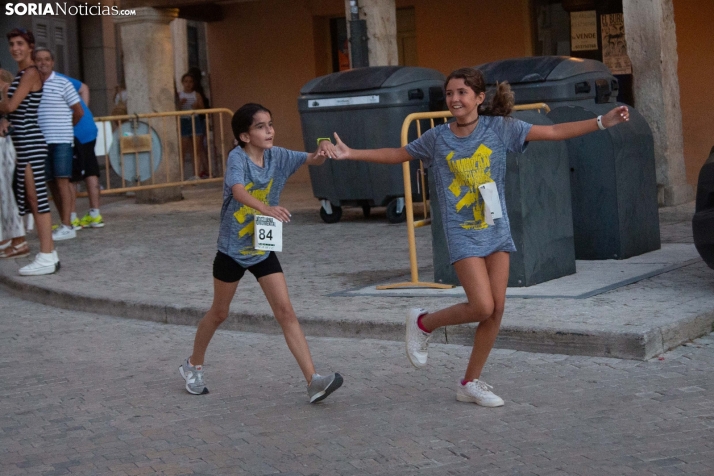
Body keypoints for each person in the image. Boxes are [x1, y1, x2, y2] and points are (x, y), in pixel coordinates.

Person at [328, 67, 630, 407]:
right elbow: (399, 154)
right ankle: (423, 322)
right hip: (462, 232)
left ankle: (469, 382)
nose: (455, 99)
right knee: (481, 305)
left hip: (496, 229)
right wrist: (351, 153)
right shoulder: (437, 137)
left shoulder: (501, 128)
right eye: (450, 93)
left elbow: (556, 130)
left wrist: (602, 123)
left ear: (479, 98)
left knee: (495, 311)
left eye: (462, 93)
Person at [179, 103, 344, 403]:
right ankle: (192, 366)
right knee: (219, 313)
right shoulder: (237, 158)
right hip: (232, 250)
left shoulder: (277, 156)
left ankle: (313, 381)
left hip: (263, 247)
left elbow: (313, 159)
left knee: (285, 311)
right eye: (260, 126)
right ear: (244, 135)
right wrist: (266, 207)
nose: (269, 130)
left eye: (270, 124)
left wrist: (322, 146)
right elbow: (239, 190)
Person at [0, 29, 58, 275]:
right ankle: (47, 254)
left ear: (30, 46)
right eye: (12, 44)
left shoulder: (30, 73)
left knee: (38, 199)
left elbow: (11, 106)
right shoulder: (24, 73)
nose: (15, 48)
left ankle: (47, 254)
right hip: (24, 143)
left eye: (20, 43)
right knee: (33, 199)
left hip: (31, 141)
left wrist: (3, 91)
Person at [34, 47, 83, 241]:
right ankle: (63, 222)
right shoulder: (32, 84)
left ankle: (67, 224)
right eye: (39, 59)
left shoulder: (63, 83)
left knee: (63, 181)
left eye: (46, 59)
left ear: (53, 62)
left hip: (61, 140)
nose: (43, 63)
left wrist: (66, 129)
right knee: (51, 183)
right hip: (41, 141)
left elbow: (78, 111)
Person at [56, 71, 104, 229]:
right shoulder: (61, 77)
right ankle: (95, 215)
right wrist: (85, 111)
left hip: (73, 130)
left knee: (70, 175)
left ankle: (72, 218)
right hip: (87, 127)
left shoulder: (48, 80)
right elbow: (84, 88)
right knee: (90, 170)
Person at [0, 65, 27, 258]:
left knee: (8, 193)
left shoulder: (7, 87)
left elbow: (12, 110)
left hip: (5, 145)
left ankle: (18, 240)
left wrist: (3, 118)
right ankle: (7, 238)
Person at [177, 72, 208, 179]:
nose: (188, 84)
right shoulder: (179, 95)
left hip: (195, 120)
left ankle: (196, 175)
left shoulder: (197, 95)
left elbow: (203, 111)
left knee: (196, 150)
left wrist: (197, 107)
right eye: (186, 81)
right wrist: (180, 104)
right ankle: (180, 176)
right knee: (183, 150)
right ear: (182, 83)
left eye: (190, 82)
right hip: (183, 121)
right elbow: (175, 109)